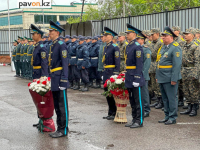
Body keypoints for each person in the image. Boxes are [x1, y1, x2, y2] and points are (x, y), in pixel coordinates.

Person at [47, 20, 69, 138]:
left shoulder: (61, 44)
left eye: (51, 31)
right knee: (57, 105)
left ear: (56, 32)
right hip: (55, 78)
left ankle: (63, 129)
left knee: (62, 105)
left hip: (60, 78)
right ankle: (60, 127)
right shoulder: (53, 45)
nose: (49, 33)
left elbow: (65, 63)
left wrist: (64, 79)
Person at [157, 26, 182, 125]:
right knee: (165, 98)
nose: (162, 38)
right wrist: (157, 76)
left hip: (169, 77)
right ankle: (167, 115)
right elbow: (159, 62)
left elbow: (177, 65)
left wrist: (174, 78)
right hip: (162, 77)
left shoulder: (175, 48)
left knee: (171, 98)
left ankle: (172, 117)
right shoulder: (163, 47)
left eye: (165, 36)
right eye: (162, 36)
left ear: (171, 37)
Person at [124, 24, 145, 128]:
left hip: (135, 76)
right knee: (132, 100)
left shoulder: (137, 46)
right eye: (127, 33)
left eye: (129, 33)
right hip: (129, 75)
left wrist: (137, 76)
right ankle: (133, 119)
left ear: (134, 34)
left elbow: (139, 63)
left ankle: (139, 120)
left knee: (138, 100)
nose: (127, 35)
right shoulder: (129, 46)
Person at [30, 24, 49, 128]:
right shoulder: (37, 46)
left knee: (42, 99)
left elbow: (44, 62)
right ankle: (40, 119)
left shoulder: (42, 47)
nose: (33, 35)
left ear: (39, 35)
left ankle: (44, 119)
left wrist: (44, 77)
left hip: (40, 74)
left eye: (34, 34)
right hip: (36, 73)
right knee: (38, 99)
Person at [180, 28, 200, 117]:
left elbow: (198, 61)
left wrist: (196, 74)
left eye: (187, 34)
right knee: (186, 89)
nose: (185, 35)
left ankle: (194, 108)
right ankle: (189, 106)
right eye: (185, 34)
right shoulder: (184, 45)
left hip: (192, 70)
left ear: (193, 35)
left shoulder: (196, 46)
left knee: (193, 90)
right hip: (184, 70)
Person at [102, 27, 120, 120]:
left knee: (112, 92)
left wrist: (116, 73)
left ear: (111, 36)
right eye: (104, 35)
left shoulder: (114, 47)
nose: (104, 37)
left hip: (112, 72)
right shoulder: (106, 47)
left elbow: (117, 61)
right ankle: (110, 112)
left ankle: (114, 112)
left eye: (106, 35)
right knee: (107, 92)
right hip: (106, 71)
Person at [136, 32, 151, 118]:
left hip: (143, 75)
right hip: (137, 74)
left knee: (144, 93)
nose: (137, 40)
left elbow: (147, 63)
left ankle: (146, 110)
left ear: (142, 40)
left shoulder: (146, 49)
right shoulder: (137, 48)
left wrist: (143, 74)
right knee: (139, 94)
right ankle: (141, 109)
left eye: (138, 39)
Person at [149, 28, 164, 109]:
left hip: (158, 66)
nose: (151, 36)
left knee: (158, 85)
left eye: (153, 34)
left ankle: (161, 101)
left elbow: (156, 54)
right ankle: (157, 100)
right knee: (154, 85)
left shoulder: (160, 43)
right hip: (152, 66)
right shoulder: (151, 43)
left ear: (157, 34)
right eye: (151, 35)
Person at [171, 26, 186, 108]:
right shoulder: (174, 40)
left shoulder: (181, 41)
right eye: (173, 30)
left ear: (179, 31)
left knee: (180, 85)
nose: (174, 31)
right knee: (178, 84)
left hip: (180, 64)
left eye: (176, 30)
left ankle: (181, 100)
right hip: (175, 64)